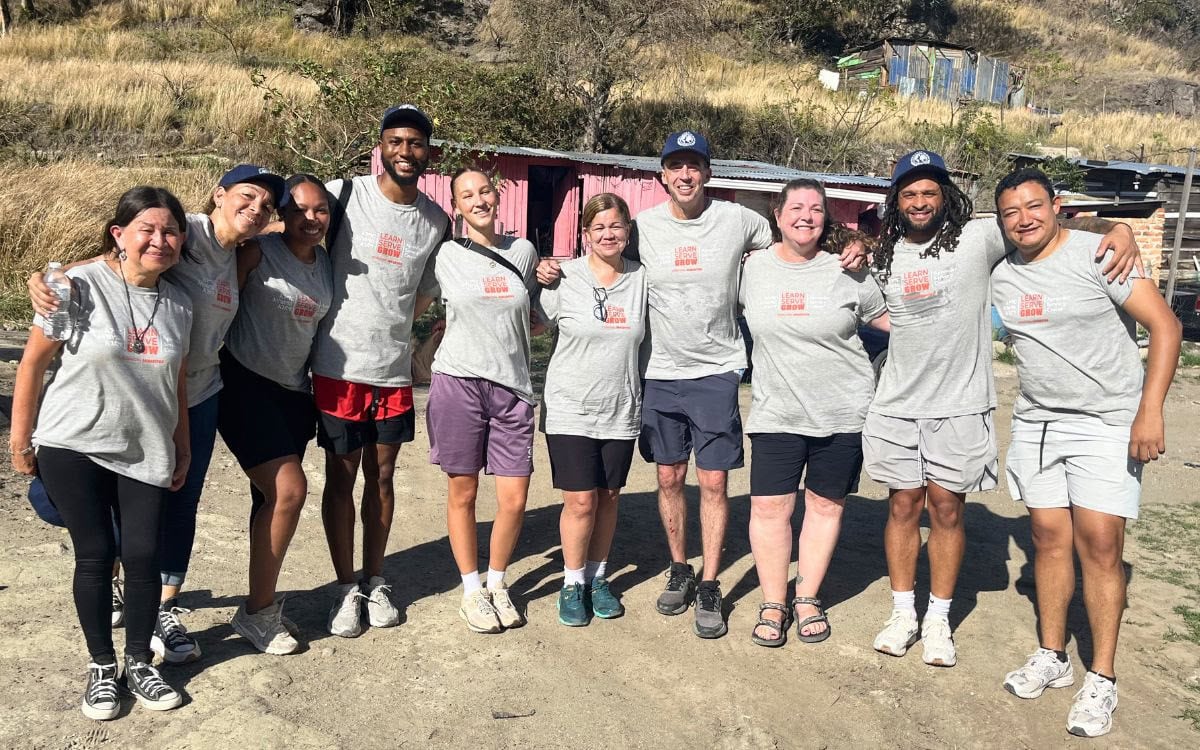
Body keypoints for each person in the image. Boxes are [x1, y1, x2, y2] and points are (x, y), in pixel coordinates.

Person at [537, 130, 865, 639]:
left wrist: (851, 244)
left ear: (708, 173)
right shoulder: (642, 228)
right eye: (676, 166)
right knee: (669, 477)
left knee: (713, 481)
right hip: (660, 372)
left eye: (694, 166)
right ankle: (679, 568)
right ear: (663, 175)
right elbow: (603, 252)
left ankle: (710, 581)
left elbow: (798, 231)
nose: (685, 175)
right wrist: (551, 268)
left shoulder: (738, 220)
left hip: (716, 371)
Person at [865, 150, 1142, 668]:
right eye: (910, 193)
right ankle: (903, 613)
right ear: (896, 200)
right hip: (896, 404)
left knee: (947, 509)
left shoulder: (979, 236)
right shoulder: (884, 253)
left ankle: (938, 619)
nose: (920, 202)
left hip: (961, 403)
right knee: (902, 507)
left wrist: (1119, 227)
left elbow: (1049, 223)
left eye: (930, 192)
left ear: (946, 196)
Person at [29, 164, 284, 664]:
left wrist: (274, 225)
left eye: (266, 204)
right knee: (62, 500)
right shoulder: (184, 231)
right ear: (218, 195)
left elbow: (280, 229)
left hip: (198, 393)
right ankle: (116, 568)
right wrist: (47, 277)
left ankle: (164, 606)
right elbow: (113, 257)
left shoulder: (244, 251)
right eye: (247, 196)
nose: (256, 209)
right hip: (140, 391)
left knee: (181, 502)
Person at [990, 169, 1180, 737]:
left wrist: (1150, 411)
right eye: (1010, 212)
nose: (1023, 219)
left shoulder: (1100, 256)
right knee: (1048, 539)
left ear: (1057, 205)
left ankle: (1102, 676)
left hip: (1106, 421)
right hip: (1038, 421)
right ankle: (1053, 655)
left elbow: (1166, 328)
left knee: (1100, 544)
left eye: (1034, 206)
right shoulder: (1002, 273)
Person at [11, 186, 193, 719]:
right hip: (75, 442)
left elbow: (178, 383)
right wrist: (21, 440)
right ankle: (101, 666)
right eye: (147, 229)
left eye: (170, 231)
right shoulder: (76, 287)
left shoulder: (181, 304)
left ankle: (139, 662)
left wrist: (182, 445)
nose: (159, 240)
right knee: (94, 554)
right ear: (119, 235)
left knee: (142, 555)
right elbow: (32, 364)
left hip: (147, 448)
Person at [310, 105, 451, 638]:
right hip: (338, 366)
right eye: (396, 141)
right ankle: (345, 586)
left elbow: (424, 293)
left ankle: (375, 579)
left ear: (428, 152)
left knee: (383, 478)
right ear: (381, 147)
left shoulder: (436, 220)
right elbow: (288, 239)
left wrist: (396, 331)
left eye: (416, 143)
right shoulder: (343, 195)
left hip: (392, 373)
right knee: (341, 478)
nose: (405, 152)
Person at [739, 179, 889, 647]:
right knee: (770, 508)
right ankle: (773, 602)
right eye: (797, 208)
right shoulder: (750, 268)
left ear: (826, 218)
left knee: (825, 506)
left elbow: (889, 320)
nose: (806, 216)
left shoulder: (849, 270)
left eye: (817, 209)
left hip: (842, 411)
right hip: (776, 411)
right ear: (777, 215)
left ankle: (806, 598)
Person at [418, 168, 541, 633]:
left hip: (512, 388)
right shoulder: (445, 256)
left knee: (514, 498)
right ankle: (472, 590)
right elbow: (412, 300)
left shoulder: (523, 252)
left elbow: (536, 316)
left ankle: (497, 582)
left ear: (497, 196)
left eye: (485, 191)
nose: (479, 200)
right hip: (459, 382)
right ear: (457, 207)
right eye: (467, 195)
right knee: (463, 491)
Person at [220, 174, 334, 654]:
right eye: (299, 209)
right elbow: (210, 290)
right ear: (282, 212)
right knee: (290, 491)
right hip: (243, 382)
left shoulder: (326, 263)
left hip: (294, 394)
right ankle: (259, 612)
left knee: (267, 501)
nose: (310, 218)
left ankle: (257, 602)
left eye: (320, 209)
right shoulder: (257, 251)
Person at [541, 193, 648, 627]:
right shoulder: (564, 277)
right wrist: (539, 272)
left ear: (628, 231)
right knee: (581, 500)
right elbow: (531, 322)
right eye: (598, 227)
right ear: (585, 234)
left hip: (621, 406)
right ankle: (572, 583)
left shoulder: (642, 279)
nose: (608, 234)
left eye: (616, 226)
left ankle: (597, 577)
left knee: (608, 497)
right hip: (570, 406)